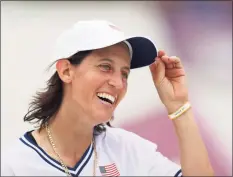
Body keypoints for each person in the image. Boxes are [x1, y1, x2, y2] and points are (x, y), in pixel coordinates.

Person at [1, 20, 214, 176]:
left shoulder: (130, 150)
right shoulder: (13, 166)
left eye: (124, 73)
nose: (118, 83)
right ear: (66, 71)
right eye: (105, 67)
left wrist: (178, 106)